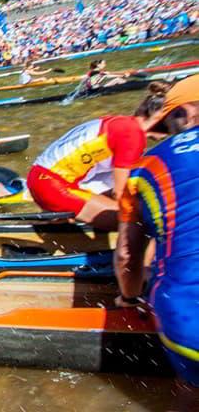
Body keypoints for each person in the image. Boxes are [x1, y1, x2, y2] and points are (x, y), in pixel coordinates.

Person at [115, 75, 199, 395]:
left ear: (187, 114)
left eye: (167, 127)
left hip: (186, 320)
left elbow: (126, 256)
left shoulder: (143, 169)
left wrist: (128, 298)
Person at [27, 82, 169, 230]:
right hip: (51, 185)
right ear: (159, 118)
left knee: (135, 184)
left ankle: (59, 220)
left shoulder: (121, 122)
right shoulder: (132, 135)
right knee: (139, 219)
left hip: (40, 177)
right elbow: (120, 192)